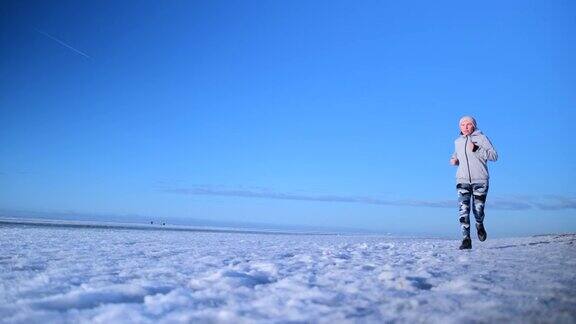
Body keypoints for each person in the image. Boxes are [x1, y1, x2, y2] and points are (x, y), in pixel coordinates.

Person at [450, 116, 498, 250]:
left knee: (478, 210)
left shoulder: (482, 138)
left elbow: (494, 156)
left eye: (468, 124)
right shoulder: (457, 142)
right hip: (462, 180)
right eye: (462, 125)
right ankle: (466, 239)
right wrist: (454, 160)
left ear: (474, 126)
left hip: (480, 180)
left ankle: (479, 223)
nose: (465, 127)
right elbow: (457, 155)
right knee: (463, 210)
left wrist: (477, 148)